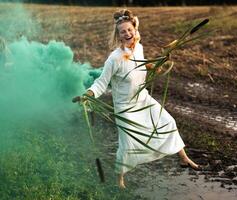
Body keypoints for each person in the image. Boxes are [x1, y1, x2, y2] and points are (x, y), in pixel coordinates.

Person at [80, 9, 201, 189]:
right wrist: (88, 94)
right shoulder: (114, 59)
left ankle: (183, 158)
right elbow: (101, 82)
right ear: (118, 36)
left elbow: (139, 66)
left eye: (130, 30)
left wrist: (153, 66)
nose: (127, 34)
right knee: (127, 145)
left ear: (134, 30)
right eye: (123, 32)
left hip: (143, 99)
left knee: (168, 121)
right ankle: (120, 179)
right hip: (125, 107)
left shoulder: (139, 47)